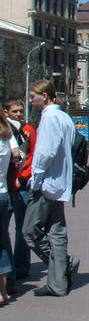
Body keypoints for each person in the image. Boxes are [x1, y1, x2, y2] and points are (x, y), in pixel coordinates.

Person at [22, 79, 80, 297]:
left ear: (44, 96)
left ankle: (62, 266)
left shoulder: (49, 118)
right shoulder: (64, 117)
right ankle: (58, 283)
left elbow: (46, 153)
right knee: (56, 232)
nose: (30, 100)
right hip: (62, 183)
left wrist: (35, 180)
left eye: (32, 96)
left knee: (30, 231)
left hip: (46, 184)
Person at [4, 99, 34, 285]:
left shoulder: (27, 130)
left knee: (22, 229)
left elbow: (31, 155)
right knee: (3, 231)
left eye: (21, 111)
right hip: (7, 186)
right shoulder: (5, 131)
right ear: (6, 112)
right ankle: (10, 272)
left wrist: (23, 177)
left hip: (20, 185)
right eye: (15, 111)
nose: (19, 114)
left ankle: (20, 268)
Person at [1, 107, 20, 305]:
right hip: (3, 193)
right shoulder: (8, 135)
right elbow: (17, 156)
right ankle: (5, 288)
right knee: (3, 240)